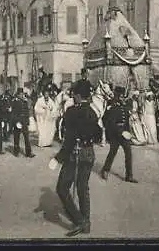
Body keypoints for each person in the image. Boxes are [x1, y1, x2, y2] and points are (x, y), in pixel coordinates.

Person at [49, 82, 102, 237]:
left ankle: (80, 221)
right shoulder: (93, 111)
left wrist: (58, 159)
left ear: (78, 95)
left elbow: (69, 138)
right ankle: (87, 223)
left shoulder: (71, 111)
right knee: (83, 188)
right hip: (89, 153)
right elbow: (99, 135)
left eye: (74, 94)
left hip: (75, 154)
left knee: (62, 188)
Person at [100, 86, 139, 183]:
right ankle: (105, 170)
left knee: (129, 153)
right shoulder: (112, 107)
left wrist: (128, 132)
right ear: (117, 96)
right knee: (112, 152)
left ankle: (129, 175)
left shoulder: (124, 106)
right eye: (120, 97)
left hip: (124, 133)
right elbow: (111, 123)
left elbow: (126, 121)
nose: (122, 98)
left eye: (123, 97)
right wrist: (121, 132)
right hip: (115, 134)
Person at [11, 88, 36, 158]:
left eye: (22, 94)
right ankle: (16, 151)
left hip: (24, 121)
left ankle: (28, 152)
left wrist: (27, 121)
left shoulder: (25, 101)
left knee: (26, 137)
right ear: (17, 94)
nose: (21, 95)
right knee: (16, 137)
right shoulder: (14, 101)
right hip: (18, 121)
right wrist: (16, 122)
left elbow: (27, 112)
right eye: (20, 94)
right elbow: (13, 113)